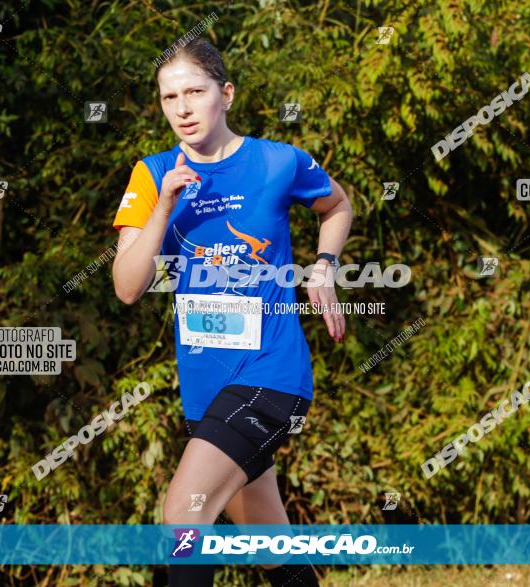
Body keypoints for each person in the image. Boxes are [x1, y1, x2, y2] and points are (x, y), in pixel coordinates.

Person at [111, 38, 352, 587]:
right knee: (269, 544)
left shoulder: (278, 161)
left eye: (195, 92)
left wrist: (323, 266)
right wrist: (165, 210)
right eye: (170, 97)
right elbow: (128, 287)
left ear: (226, 94)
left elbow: (338, 204)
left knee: (185, 512)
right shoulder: (151, 176)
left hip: (272, 374)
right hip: (204, 386)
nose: (183, 108)